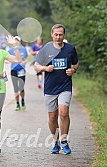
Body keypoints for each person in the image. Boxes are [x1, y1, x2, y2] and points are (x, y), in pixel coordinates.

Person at [34, 24, 79, 154]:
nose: (58, 37)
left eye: (61, 34)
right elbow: (36, 65)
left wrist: (73, 70)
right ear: (52, 35)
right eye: (56, 34)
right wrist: (45, 68)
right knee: (52, 117)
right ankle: (56, 141)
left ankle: (64, 141)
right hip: (50, 88)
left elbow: (76, 64)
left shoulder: (70, 49)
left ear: (64, 35)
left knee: (64, 112)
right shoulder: (46, 49)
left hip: (65, 86)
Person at [8, 36, 29, 111]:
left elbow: (27, 57)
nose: (16, 42)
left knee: (21, 88)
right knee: (15, 88)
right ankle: (17, 104)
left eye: (17, 40)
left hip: (21, 70)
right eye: (15, 40)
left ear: (20, 41)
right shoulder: (10, 50)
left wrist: (25, 62)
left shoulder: (23, 49)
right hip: (13, 70)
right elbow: (7, 59)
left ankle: (22, 100)